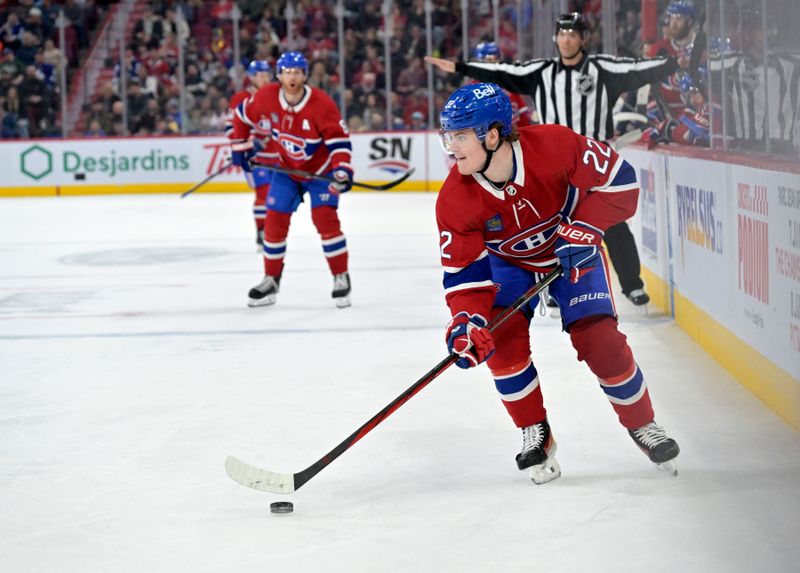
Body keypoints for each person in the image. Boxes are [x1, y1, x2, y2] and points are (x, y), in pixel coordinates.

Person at [436, 83, 680, 484]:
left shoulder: (553, 145)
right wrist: (467, 322)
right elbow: (465, 275)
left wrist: (584, 228)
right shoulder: (454, 200)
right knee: (501, 345)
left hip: (574, 252)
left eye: (460, 136)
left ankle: (643, 424)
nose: (452, 147)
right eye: (449, 137)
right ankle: (536, 432)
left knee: (599, 339)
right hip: (509, 265)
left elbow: (622, 181)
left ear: (492, 135)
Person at [425, 12, 679, 306]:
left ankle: (631, 284)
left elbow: (640, 70)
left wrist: (674, 63)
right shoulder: (542, 71)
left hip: (589, 165)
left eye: (573, 34)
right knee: (549, 226)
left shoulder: (602, 68)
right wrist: (459, 66)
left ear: (583, 39)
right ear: (556, 38)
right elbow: (500, 73)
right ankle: (557, 285)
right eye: (562, 33)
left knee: (611, 224)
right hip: (553, 168)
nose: (567, 39)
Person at [231, 51, 354, 308]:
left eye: (297, 72)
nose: (292, 77)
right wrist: (239, 147)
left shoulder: (321, 104)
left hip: (320, 172)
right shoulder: (265, 97)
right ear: (279, 75)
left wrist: (342, 169)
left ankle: (340, 277)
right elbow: (241, 116)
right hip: (287, 170)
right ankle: (271, 280)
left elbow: (339, 141)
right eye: (287, 72)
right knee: (274, 222)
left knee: (325, 220)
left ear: (305, 75)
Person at [225, 59, 277, 249]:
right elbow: (231, 129)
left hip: (276, 157)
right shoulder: (241, 98)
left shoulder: (276, 96)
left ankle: (272, 231)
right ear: (252, 77)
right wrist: (247, 143)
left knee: (276, 195)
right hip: (254, 158)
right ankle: (262, 232)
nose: (264, 79)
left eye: (266, 75)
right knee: (263, 192)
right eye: (260, 75)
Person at [471, 41, 531, 128]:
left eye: (495, 59)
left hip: (513, 137)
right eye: (487, 60)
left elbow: (523, 116)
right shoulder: (472, 89)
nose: (491, 64)